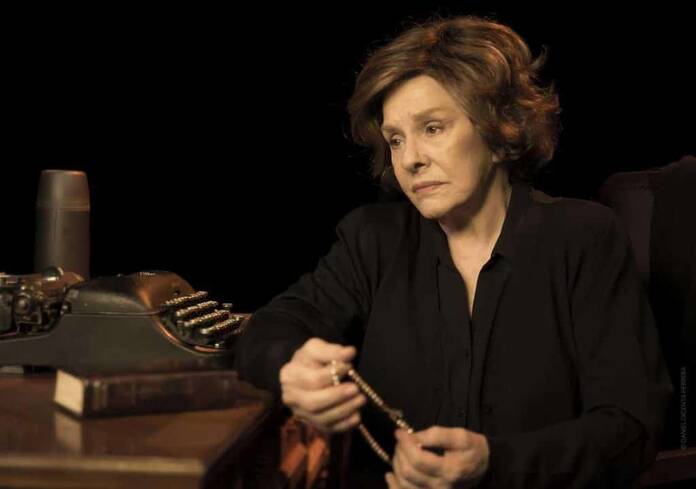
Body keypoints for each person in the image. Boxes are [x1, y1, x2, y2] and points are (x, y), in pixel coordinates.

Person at [234, 15, 673, 488]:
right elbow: (272, 327)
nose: (409, 159)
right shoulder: (372, 238)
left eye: (433, 128)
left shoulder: (583, 237)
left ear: (501, 130)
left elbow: (631, 426)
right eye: (395, 139)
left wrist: (492, 463)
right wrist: (289, 366)